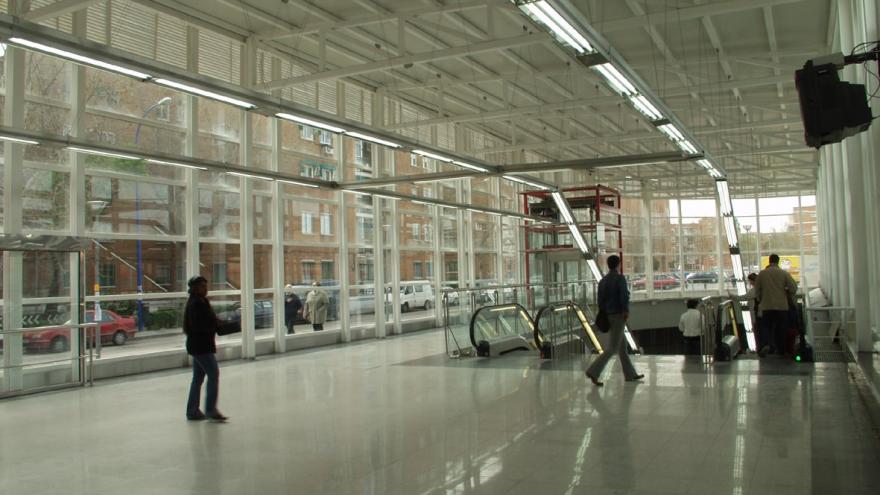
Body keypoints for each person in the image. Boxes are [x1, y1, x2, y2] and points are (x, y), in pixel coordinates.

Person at [586, 255, 643, 386]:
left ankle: (630, 374)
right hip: (618, 315)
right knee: (612, 348)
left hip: (607, 315)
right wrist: (625, 310)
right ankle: (593, 371)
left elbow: (600, 300)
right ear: (618, 264)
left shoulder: (603, 281)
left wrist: (604, 311)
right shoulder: (619, 278)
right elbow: (624, 295)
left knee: (622, 347)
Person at [183, 275, 228, 421]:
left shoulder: (201, 302)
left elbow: (206, 321)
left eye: (206, 286)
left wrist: (216, 322)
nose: (206, 289)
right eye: (202, 286)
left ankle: (192, 410)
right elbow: (199, 326)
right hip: (201, 346)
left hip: (199, 346)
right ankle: (210, 410)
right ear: (195, 288)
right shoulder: (196, 304)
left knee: (198, 378)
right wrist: (215, 325)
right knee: (213, 374)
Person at [755, 254, 798, 356]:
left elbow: (757, 290)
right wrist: (785, 290)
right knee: (781, 329)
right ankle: (781, 350)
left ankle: (767, 345)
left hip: (767, 305)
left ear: (769, 261)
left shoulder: (762, 274)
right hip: (781, 306)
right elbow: (793, 288)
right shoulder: (783, 273)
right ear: (778, 261)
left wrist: (761, 300)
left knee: (766, 326)